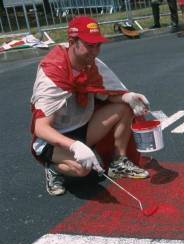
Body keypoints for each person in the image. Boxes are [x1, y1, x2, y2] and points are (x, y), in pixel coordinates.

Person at [30, 16, 151, 196]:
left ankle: (119, 162)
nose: (95, 52)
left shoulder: (91, 64)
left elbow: (110, 94)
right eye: (89, 45)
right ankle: (54, 168)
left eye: (98, 45)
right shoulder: (52, 74)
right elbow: (40, 128)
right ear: (72, 42)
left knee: (125, 107)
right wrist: (74, 146)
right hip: (54, 139)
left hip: (83, 127)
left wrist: (129, 97)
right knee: (83, 170)